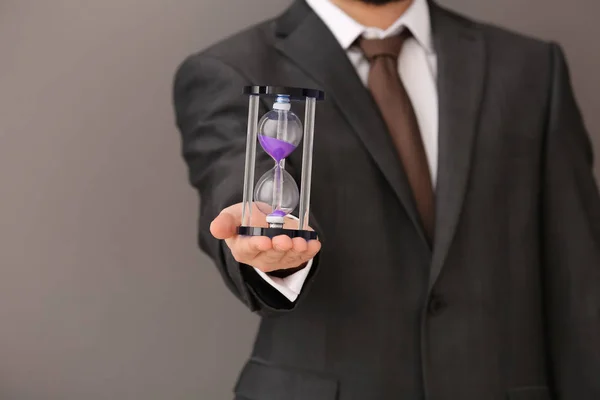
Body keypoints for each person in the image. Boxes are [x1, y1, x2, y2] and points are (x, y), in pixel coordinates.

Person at [172, 0, 600, 398]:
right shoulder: (229, 68)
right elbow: (232, 179)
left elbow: (579, 275)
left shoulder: (530, 67)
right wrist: (263, 246)